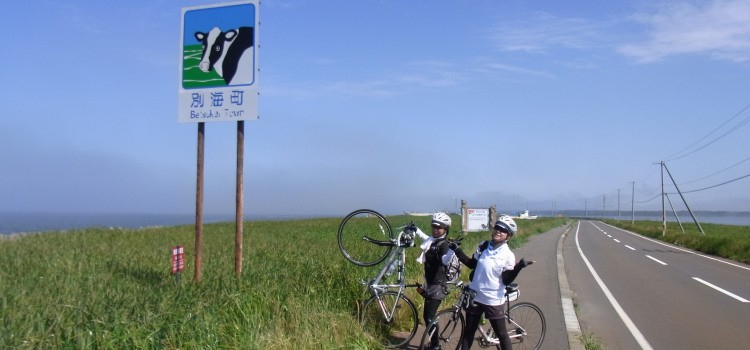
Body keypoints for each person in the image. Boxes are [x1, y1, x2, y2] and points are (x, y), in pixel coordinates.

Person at [452, 215, 531, 350]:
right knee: (469, 332)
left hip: (493, 299)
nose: (498, 231)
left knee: (501, 334)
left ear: (509, 236)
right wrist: (457, 250)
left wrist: (518, 267)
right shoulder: (483, 246)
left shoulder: (508, 255)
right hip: (475, 296)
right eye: (497, 228)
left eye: (503, 230)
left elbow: (506, 280)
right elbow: (472, 264)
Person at [414, 212, 459, 350]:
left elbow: (445, 260)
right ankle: (435, 344)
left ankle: (435, 346)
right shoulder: (433, 240)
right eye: (433, 226)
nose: (435, 229)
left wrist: (452, 251)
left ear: (445, 229)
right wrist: (416, 229)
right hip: (431, 284)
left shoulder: (444, 245)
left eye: (439, 227)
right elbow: (425, 237)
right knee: (429, 316)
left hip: (438, 286)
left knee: (429, 316)